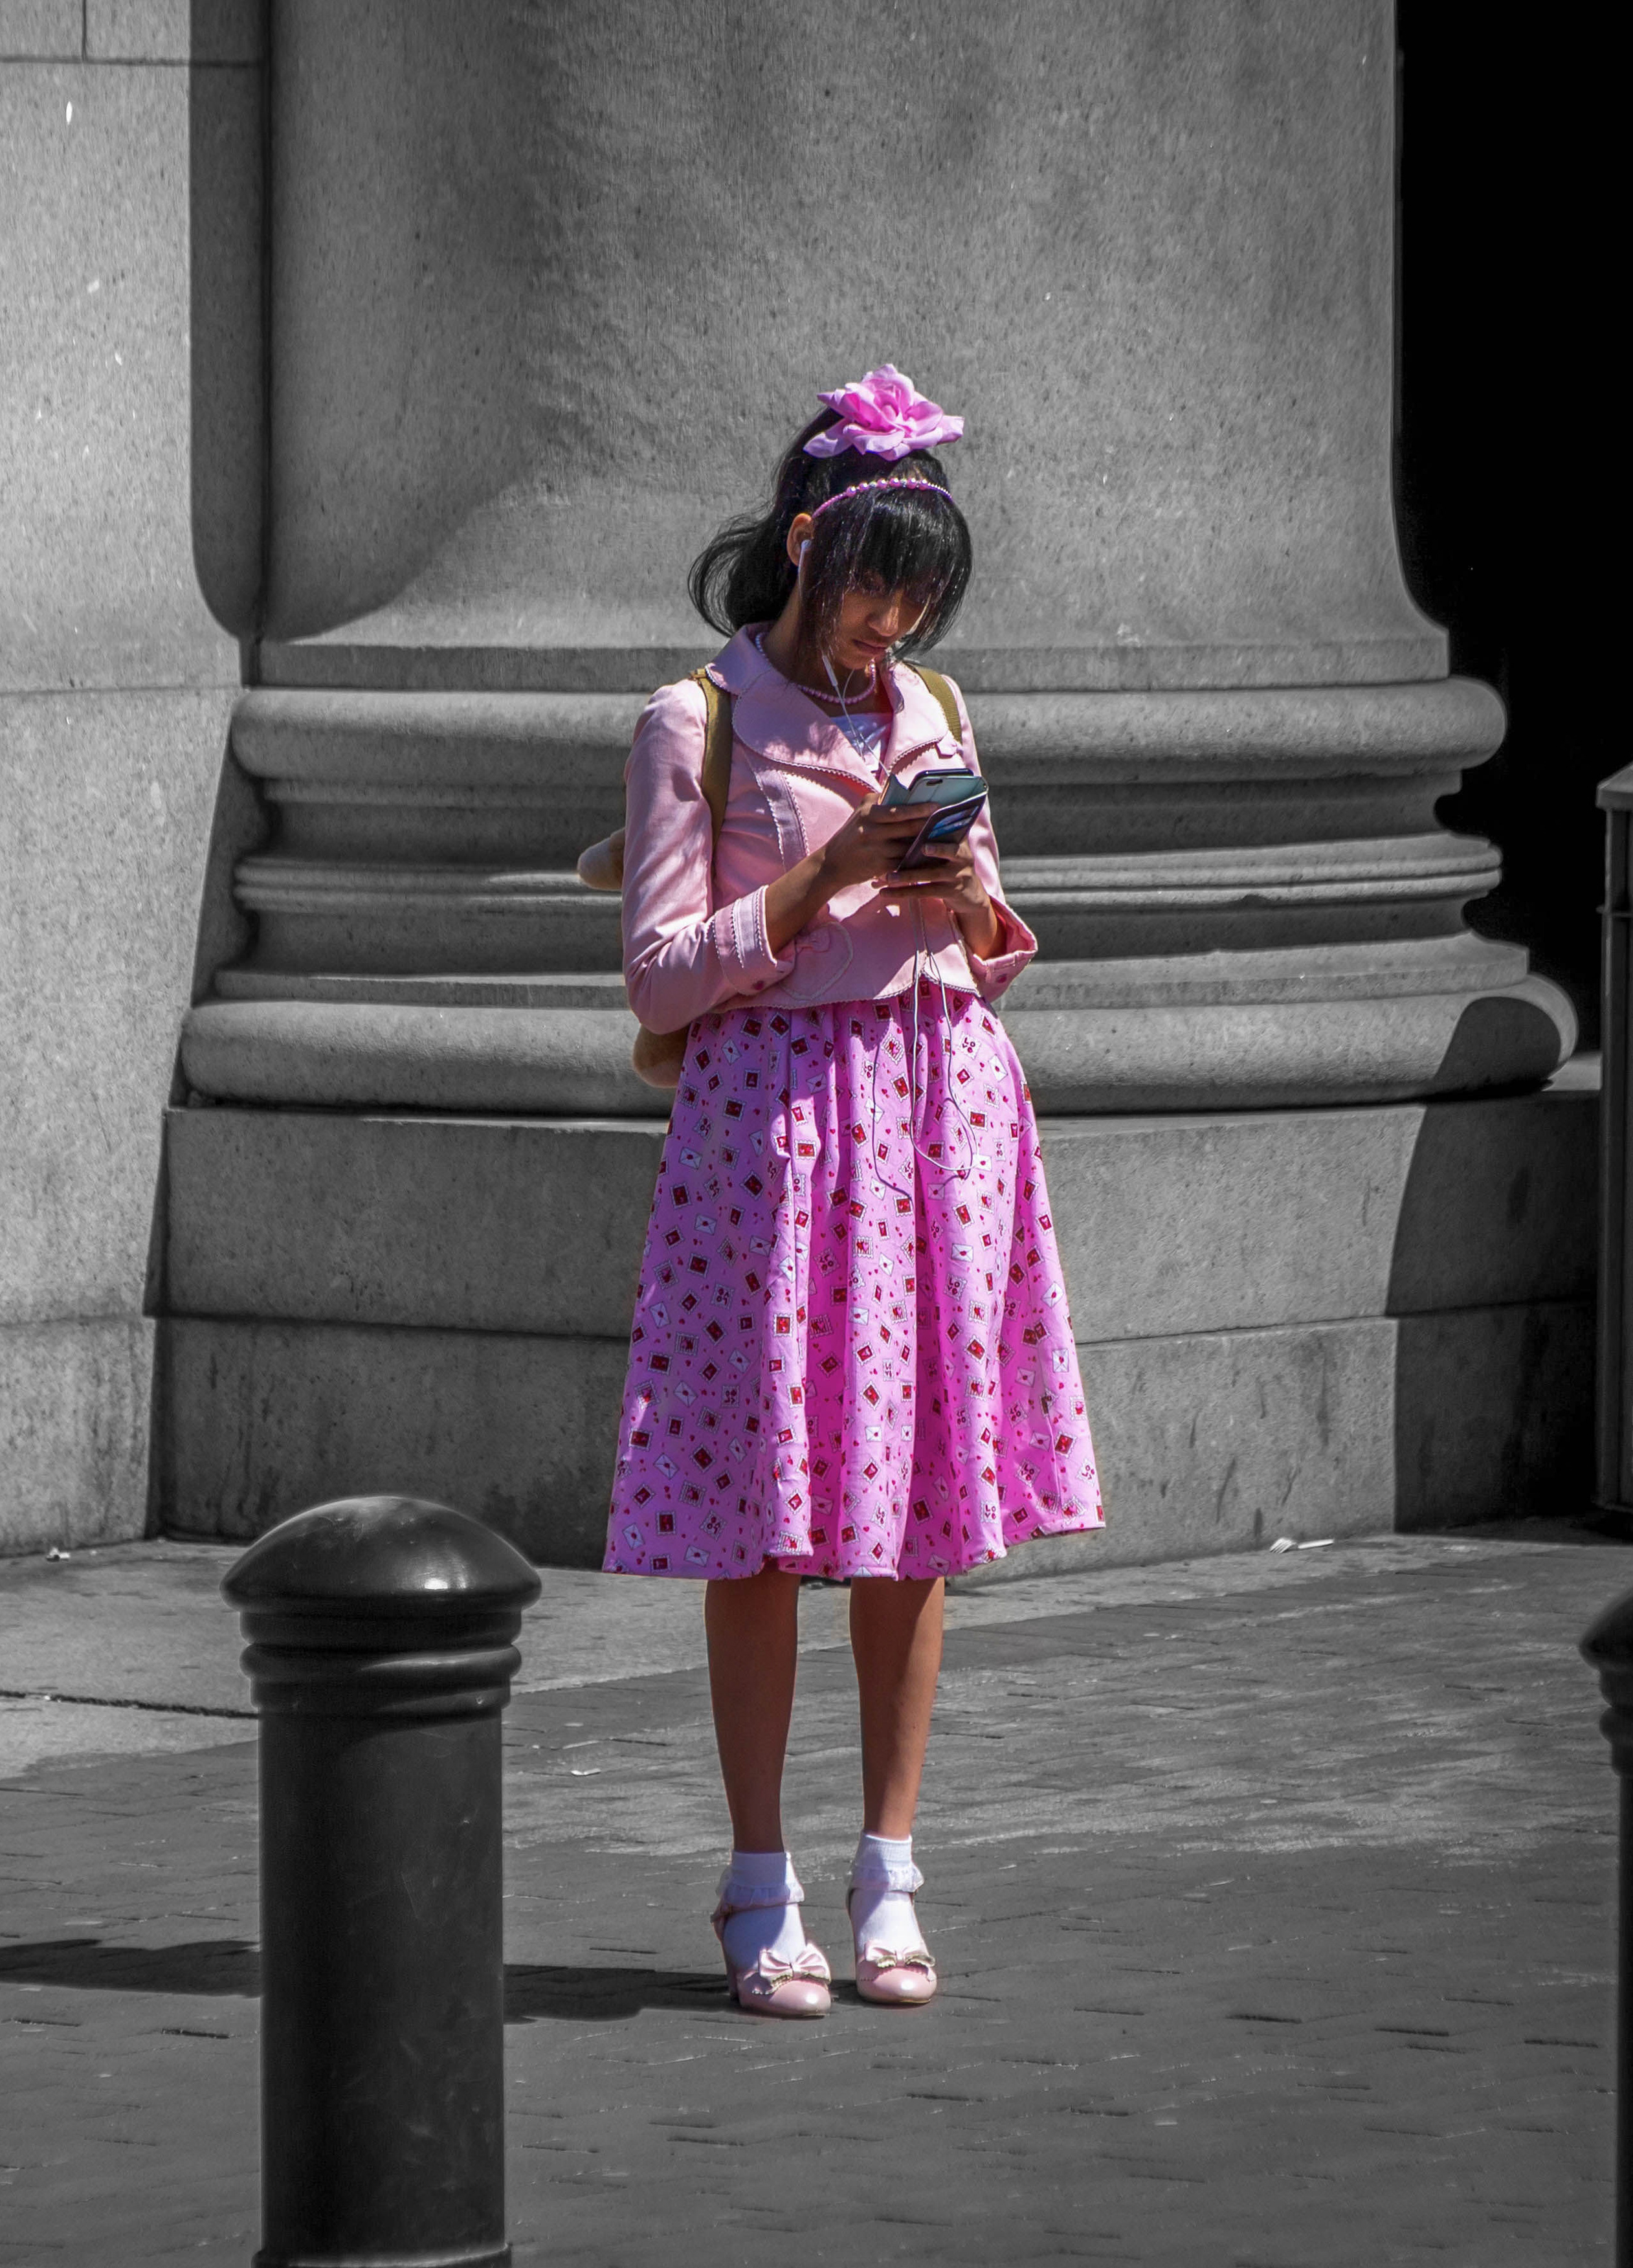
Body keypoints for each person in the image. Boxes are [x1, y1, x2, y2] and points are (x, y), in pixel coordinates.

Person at [603, 364, 1106, 2017]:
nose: (894, 620)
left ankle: (892, 1873)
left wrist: (965, 895)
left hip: (943, 1112)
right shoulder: (702, 715)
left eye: (922, 594)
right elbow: (663, 979)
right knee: (764, 1521)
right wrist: (819, 880)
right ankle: (760, 1884)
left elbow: (997, 955)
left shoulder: (939, 715)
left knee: (918, 1515)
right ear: (809, 547)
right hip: (777, 1131)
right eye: (876, 582)